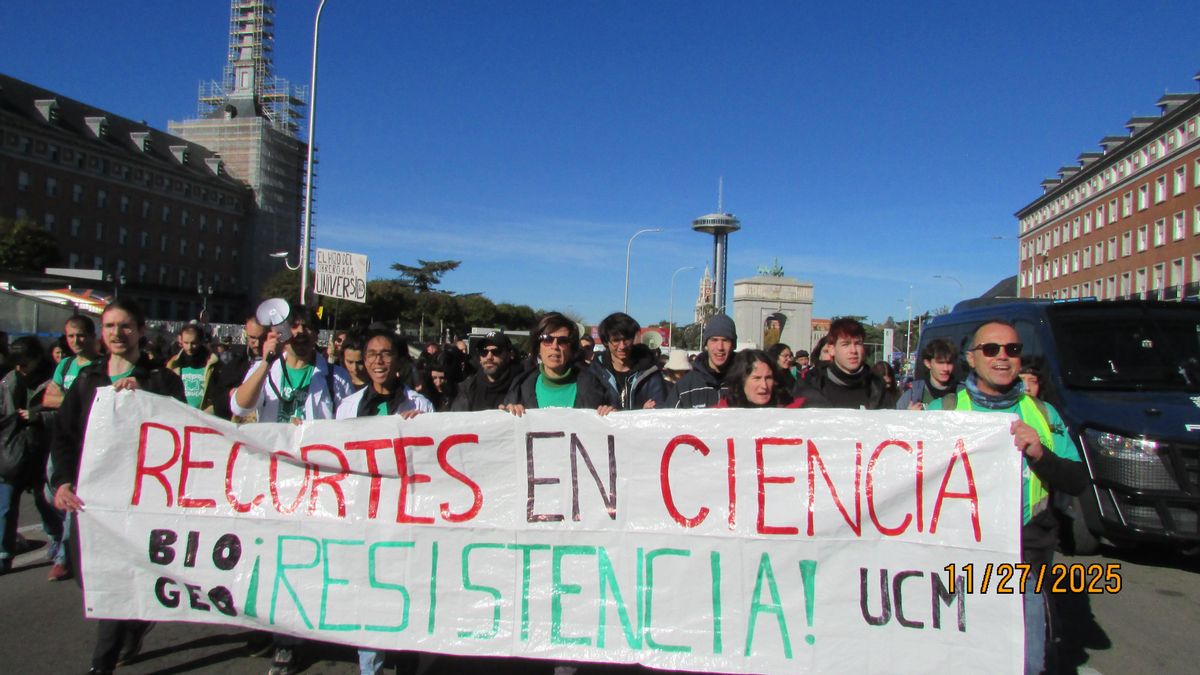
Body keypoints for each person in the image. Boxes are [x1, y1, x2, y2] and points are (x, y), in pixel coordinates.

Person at [929, 320, 1088, 674]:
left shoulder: (1043, 414)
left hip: (1022, 564)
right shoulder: (942, 412)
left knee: (1025, 664)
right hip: (954, 565)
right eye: (991, 349)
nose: (1002, 357)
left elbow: (1078, 481)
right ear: (971, 359)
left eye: (1012, 350)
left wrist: (1039, 454)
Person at [51, 299, 186, 675]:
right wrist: (61, 481)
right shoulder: (87, 380)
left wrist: (144, 398)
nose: (117, 334)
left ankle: (102, 662)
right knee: (87, 576)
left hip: (144, 500)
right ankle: (136, 621)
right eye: (109, 326)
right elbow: (63, 437)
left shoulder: (162, 380)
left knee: (115, 579)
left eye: (125, 326)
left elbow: (183, 435)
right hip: (92, 501)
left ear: (141, 330)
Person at [332, 329, 431, 674]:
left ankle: (407, 659)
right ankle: (369, 667)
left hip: (406, 516)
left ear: (399, 360)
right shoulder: (347, 407)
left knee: (406, 591)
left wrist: (421, 432)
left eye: (386, 354)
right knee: (369, 593)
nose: (378, 361)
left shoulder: (421, 406)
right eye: (372, 354)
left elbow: (433, 459)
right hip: (363, 514)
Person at [0, 337, 59, 577]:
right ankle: (3, 554)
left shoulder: (53, 382)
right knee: (5, 503)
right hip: (12, 450)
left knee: (44, 501)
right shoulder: (7, 382)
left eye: (25, 363)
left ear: (36, 358)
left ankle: (57, 540)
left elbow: (65, 414)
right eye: (17, 364)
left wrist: (38, 417)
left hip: (41, 448)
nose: (20, 369)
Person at [231, 304, 339, 424]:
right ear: (282, 332)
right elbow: (239, 408)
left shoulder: (337, 377)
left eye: (307, 327)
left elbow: (346, 427)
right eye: (294, 326)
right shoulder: (264, 369)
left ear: (316, 334)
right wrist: (266, 363)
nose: (301, 332)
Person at [502, 312, 616, 414]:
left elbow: (612, 430)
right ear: (538, 347)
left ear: (572, 349)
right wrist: (507, 414)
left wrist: (611, 414)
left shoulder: (596, 387)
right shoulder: (519, 390)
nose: (555, 346)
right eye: (547, 339)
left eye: (563, 341)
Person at [795, 317, 895, 409]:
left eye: (858, 343)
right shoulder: (809, 385)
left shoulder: (877, 387)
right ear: (832, 349)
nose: (853, 350)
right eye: (845, 344)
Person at [589, 312, 668, 409]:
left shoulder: (650, 372)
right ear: (606, 341)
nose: (622, 346)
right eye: (616, 340)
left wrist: (645, 413)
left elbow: (660, 409)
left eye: (626, 339)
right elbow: (589, 411)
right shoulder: (595, 371)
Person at [674, 313, 737, 408]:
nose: (720, 347)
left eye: (725, 340)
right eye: (714, 340)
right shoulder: (685, 386)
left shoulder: (744, 382)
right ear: (706, 344)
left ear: (733, 345)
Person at [165, 324, 227, 416]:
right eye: (186, 343)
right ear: (180, 341)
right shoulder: (173, 364)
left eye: (193, 343)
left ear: (201, 341)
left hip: (204, 419)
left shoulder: (214, 365)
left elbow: (221, 395)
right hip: (179, 416)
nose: (189, 347)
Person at [42, 315, 101, 409]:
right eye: (71, 336)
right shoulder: (65, 364)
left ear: (93, 336)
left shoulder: (104, 365)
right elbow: (48, 400)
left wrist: (63, 399)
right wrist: (81, 401)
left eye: (81, 335)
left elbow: (98, 403)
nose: (76, 341)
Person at [452, 331, 518, 411]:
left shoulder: (521, 386)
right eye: (484, 352)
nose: (489, 357)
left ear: (510, 355)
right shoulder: (468, 388)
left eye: (496, 351)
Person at [717, 350, 806, 408]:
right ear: (741, 381)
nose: (764, 386)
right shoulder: (719, 414)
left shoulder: (793, 410)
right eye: (757, 378)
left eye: (768, 378)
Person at [896, 338, 959, 410]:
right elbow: (895, 420)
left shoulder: (963, 392)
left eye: (949, 363)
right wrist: (908, 417)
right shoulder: (912, 396)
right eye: (940, 363)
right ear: (927, 363)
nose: (946, 369)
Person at [334, 333, 369, 400]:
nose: (355, 368)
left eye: (360, 362)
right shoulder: (337, 380)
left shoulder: (376, 384)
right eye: (350, 362)